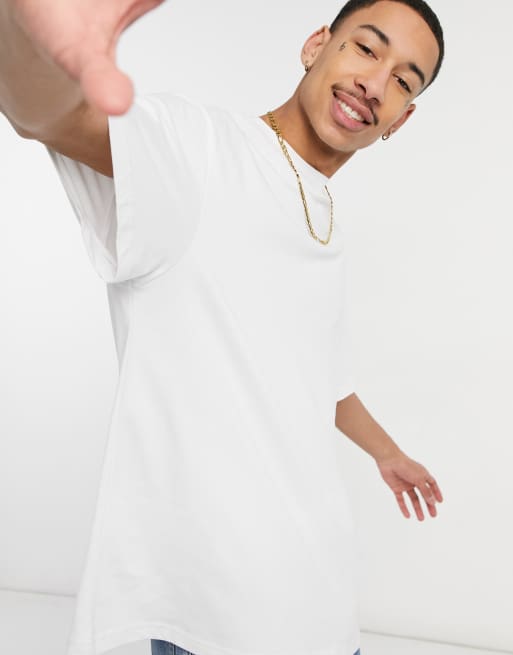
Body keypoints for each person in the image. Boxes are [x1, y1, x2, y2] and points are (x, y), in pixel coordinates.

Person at [1, 1, 445, 654]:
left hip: (321, 599)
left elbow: (319, 372)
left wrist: (387, 452)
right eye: (365, 48)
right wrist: (20, 31)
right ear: (315, 45)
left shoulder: (323, 212)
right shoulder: (200, 152)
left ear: (400, 120)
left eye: (404, 80)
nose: (375, 83)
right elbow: (50, 116)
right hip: (220, 616)